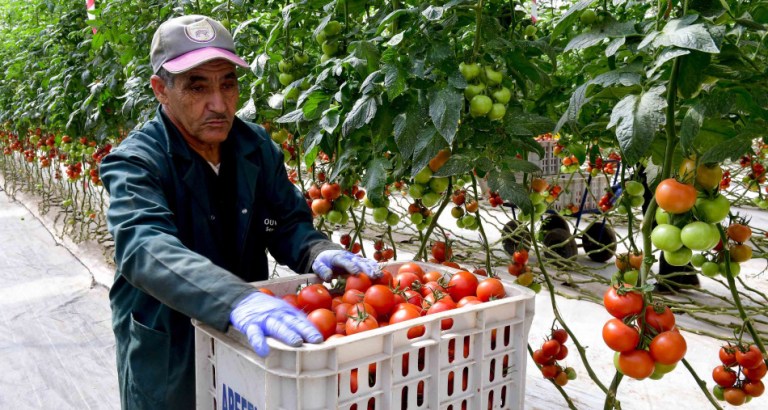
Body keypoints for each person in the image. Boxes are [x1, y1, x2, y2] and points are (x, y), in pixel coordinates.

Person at [99, 15, 379, 409]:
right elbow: (143, 247)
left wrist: (315, 250)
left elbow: (285, 222)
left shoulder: (254, 146)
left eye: (227, 83)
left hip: (247, 342)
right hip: (172, 348)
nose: (219, 104)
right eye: (198, 87)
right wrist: (234, 300)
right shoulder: (136, 162)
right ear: (161, 90)